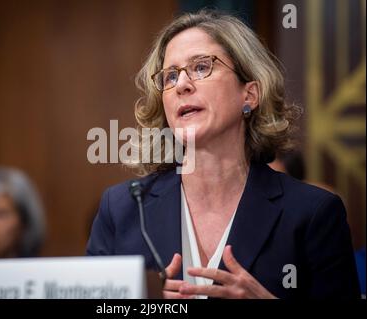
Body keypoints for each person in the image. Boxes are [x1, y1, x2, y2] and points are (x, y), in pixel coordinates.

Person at [86, 10, 360, 299]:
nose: (181, 85)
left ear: (250, 95)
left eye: (202, 67)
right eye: (170, 76)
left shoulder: (313, 213)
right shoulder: (122, 209)